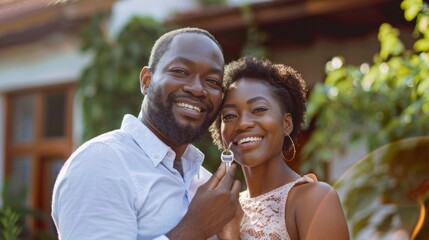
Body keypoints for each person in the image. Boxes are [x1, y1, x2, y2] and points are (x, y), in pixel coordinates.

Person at [52, 27, 241, 240]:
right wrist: (194, 228)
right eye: (180, 71)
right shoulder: (102, 162)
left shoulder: (204, 182)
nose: (197, 89)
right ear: (146, 80)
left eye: (213, 81)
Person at [210, 56, 349, 239]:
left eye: (258, 109)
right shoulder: (223, 208)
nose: (242, 124)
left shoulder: (315, 199)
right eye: (229, 116)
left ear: (286, 124)